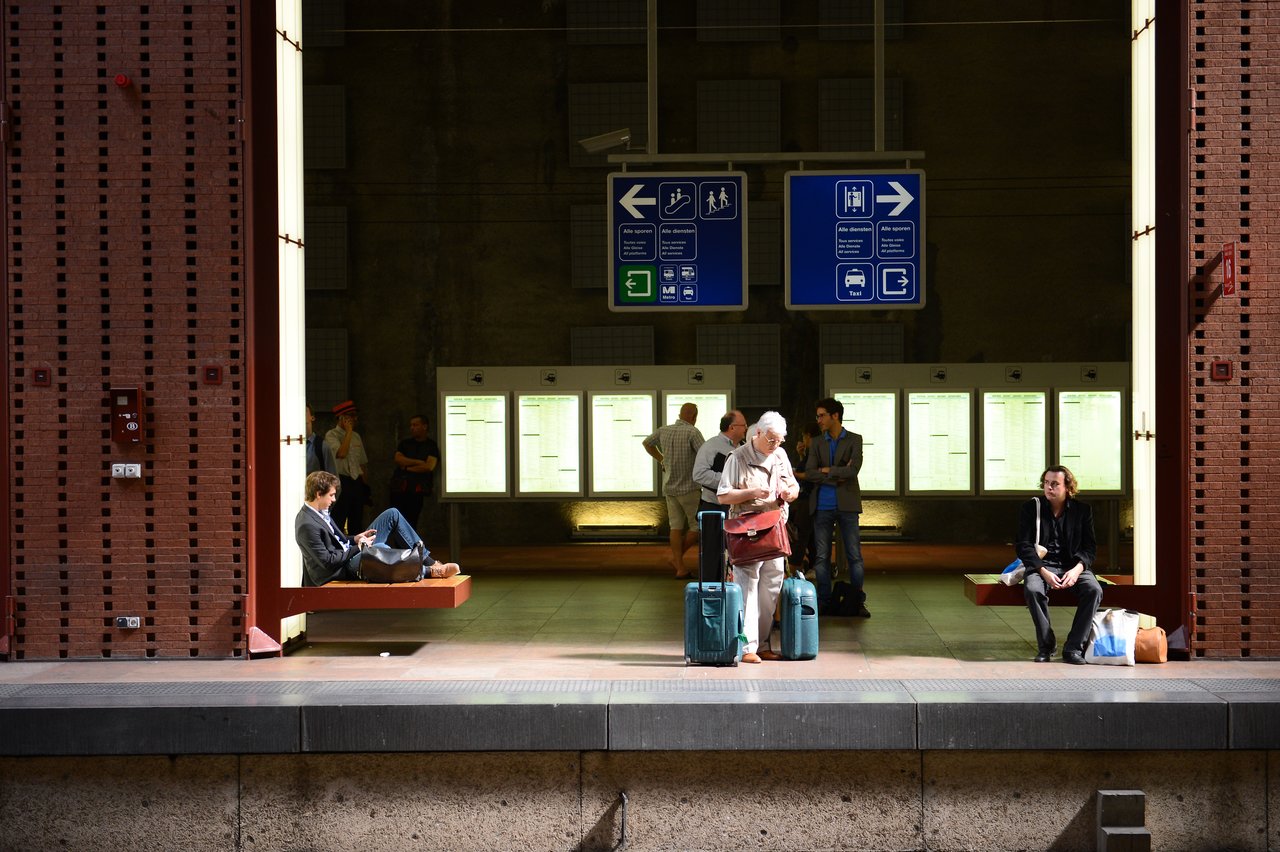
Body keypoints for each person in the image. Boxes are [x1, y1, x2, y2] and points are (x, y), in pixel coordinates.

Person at [717, 411, 799, 663]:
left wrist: (789, 492)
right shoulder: (737, 457)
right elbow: (723, 496)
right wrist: (751, 492)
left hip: (775, 529)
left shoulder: (781, 455)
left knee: (771, 588)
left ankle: (763, 644)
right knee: (747, 589)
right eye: (772, 439)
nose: (776, 445)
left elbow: (794, 486)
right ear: (759, 433)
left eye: (780, 440)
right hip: (748, 531)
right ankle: (747, 647)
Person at [296, 471, 459, 587]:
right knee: (380, 548)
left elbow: (338, 541)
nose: (333, 499)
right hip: (341, 568)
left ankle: (429, 560)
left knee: (392, 514)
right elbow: (327, 562)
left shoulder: (319, 512)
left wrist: (356, 538)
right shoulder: (307, 525)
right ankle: (429, 570)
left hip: (350, 552)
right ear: (318, 494)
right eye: (331, 495)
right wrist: (358, 548)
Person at [1016, 465, 1103, 664]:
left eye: (1055, 484)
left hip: (1072, 566)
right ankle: (1046, 647)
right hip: (1042, 566)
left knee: (1093, 590)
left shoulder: (1082, 511)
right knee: (1033, 589)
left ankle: (1073, 648)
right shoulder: (1031, 508)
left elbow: (1090, 548)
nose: (1049, 488)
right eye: (1046, 483)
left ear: (1067, 487)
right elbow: (1023, 546)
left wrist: (1077, 569)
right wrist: (1042, 571)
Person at [805, 397, 868, 617]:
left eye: (822, 415)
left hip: (848, 504)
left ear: (835, 416)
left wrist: (826, 471)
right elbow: (811, 472)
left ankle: (857, 601)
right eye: (817, 416)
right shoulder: (816, 442)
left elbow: (853, 471)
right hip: (822, 505)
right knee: (821, 557)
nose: (818, 420)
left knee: (854, 555)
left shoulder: (854, 440)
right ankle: (824, 601)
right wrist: (834, 473)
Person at [643, 402, 705, 578]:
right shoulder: (693, 432)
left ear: (680, 414)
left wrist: (661, 459)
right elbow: (705, 454)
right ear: (694, 416)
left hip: (669, 488)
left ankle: (679, 566)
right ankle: (676, 561)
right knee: (696, 526)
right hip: (690, 488)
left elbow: (647, 443)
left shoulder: (664, 430)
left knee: (675, 527)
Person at [325, 399, 370, 535]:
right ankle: (339, 552)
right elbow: (341, 453)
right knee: (339, 518)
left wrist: (365, 486)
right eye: (351, 416)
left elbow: (362, 462)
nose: (355, 419)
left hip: (356, 481)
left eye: (355, 416)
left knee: (356, 520)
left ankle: (356, 553)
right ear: (342, 418)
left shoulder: (356, 437)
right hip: (341, 481)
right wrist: (348, 432)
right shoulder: (331, 435)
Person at [389, 414, 440, 530]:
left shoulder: (431, 445)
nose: (412, 428)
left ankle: (410, 546)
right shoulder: (405, 443)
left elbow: (429, 466)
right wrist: (419, 462)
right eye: (411, 425)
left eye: (416, 425)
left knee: (412, 520)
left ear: (425, 426)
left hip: (417, 490)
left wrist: (407, 467)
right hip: (399, 489)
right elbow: (398, 459)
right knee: (398, 520)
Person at [787, 421, 822, 575]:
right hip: (811, 499)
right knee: (810, 535)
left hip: (808, 500)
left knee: (800, 534)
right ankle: (813, 564)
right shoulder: (814, 451)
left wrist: (792, 473)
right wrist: (802, 455)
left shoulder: (816, 451)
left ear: (808, 436)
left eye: (804, 437)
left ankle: (795, 566)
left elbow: (810, 474)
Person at [304, 404, 336, 475]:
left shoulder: (322, 446)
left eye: (304, 411)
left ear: (312, 417)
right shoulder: (289, 445)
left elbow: (333, 476)